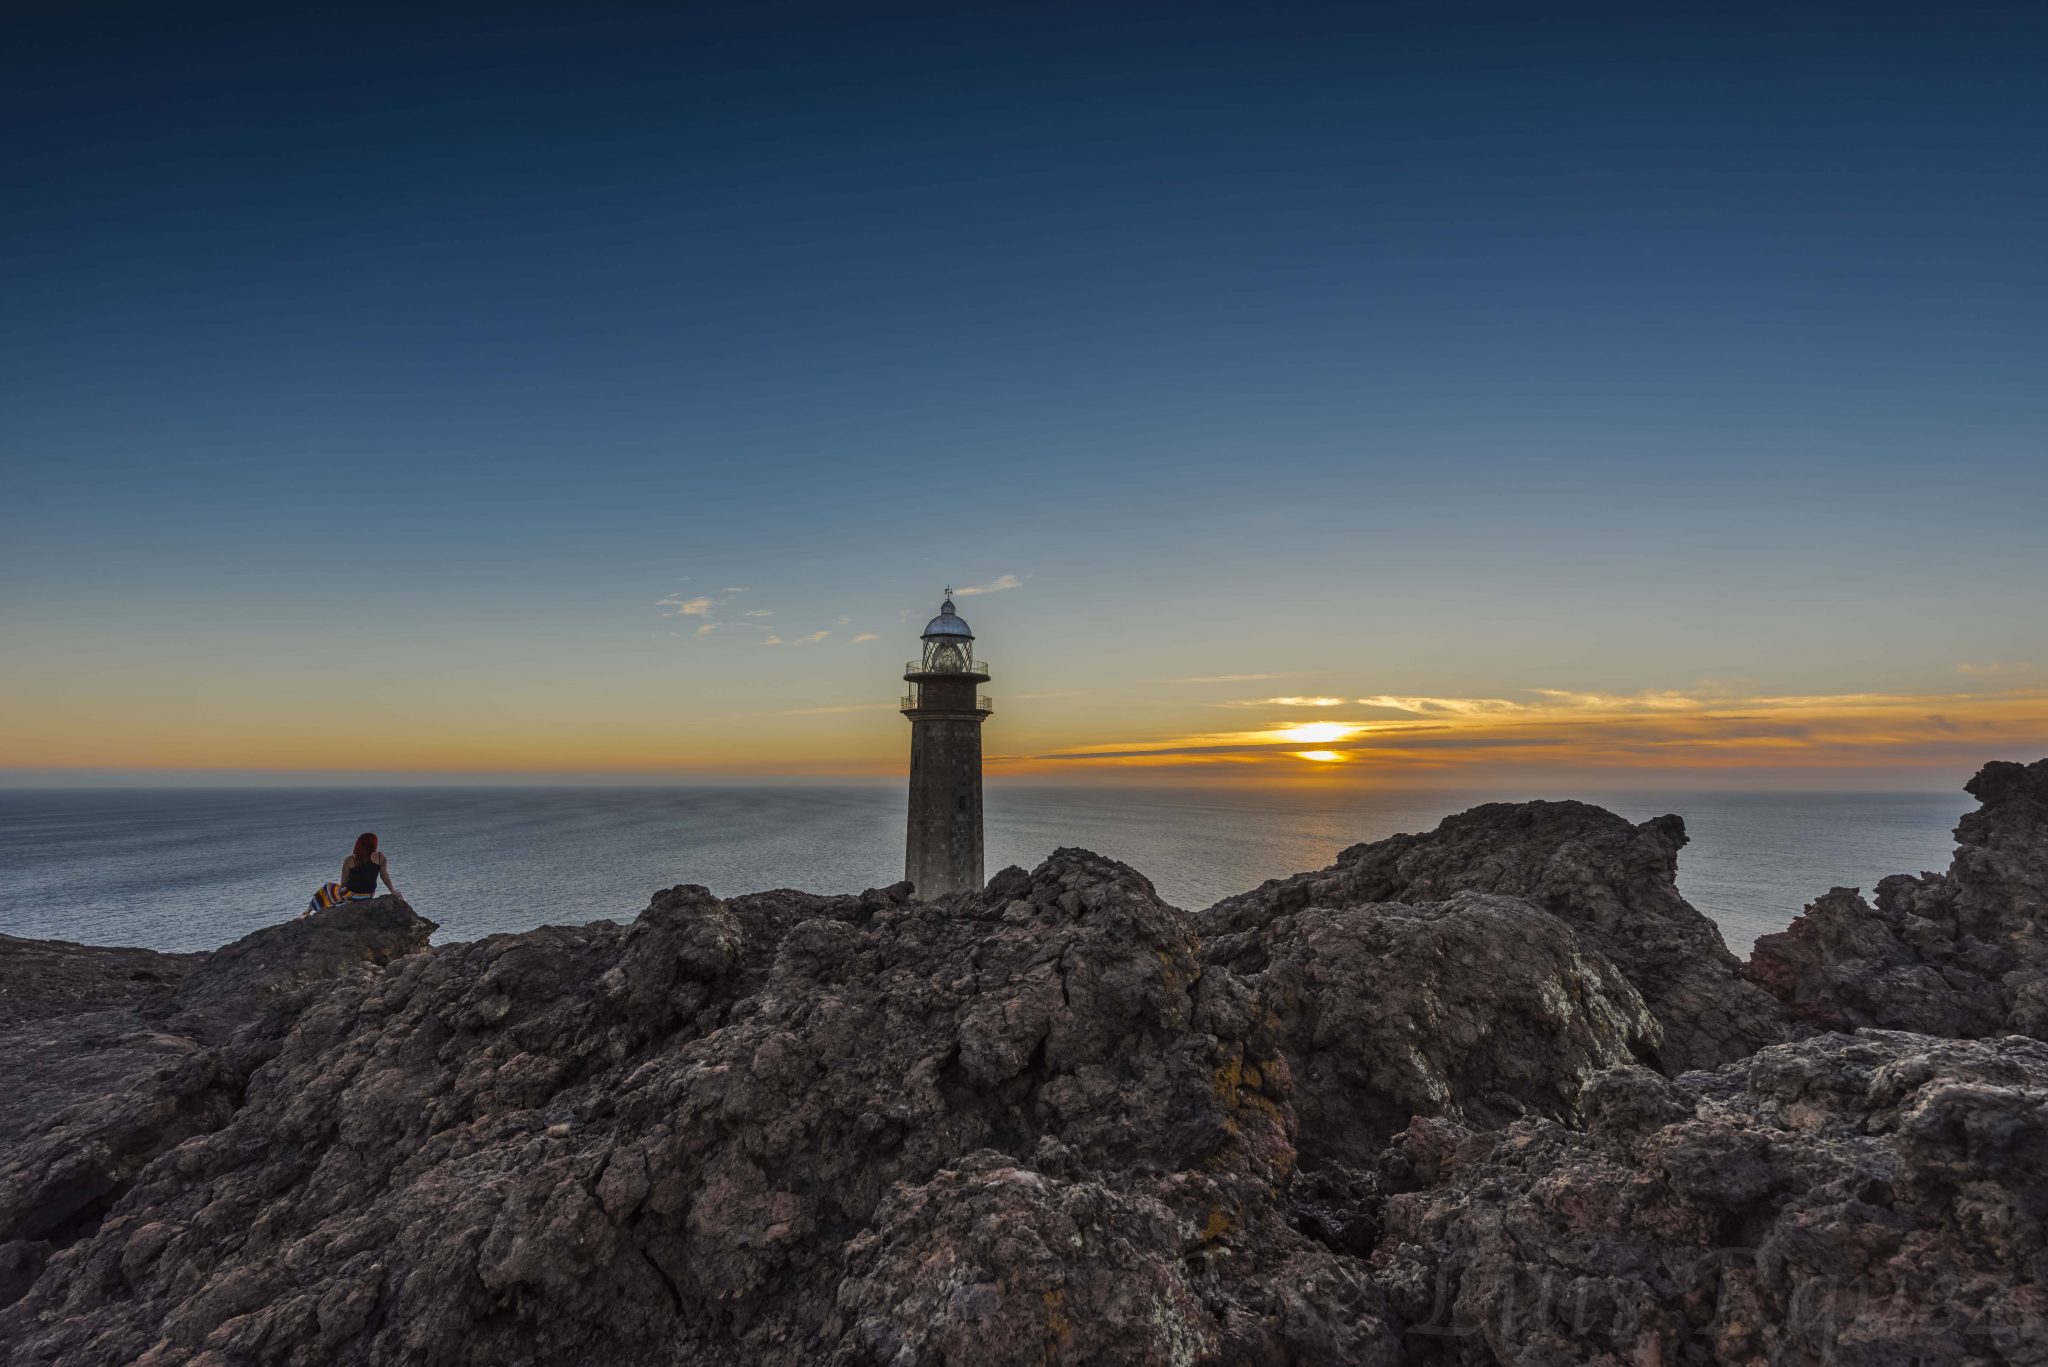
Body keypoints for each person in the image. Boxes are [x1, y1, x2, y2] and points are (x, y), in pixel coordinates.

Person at [304, 832, 401, 916]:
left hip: (352, 895)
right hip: (369, 895)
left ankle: (308, 911)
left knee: (328, 887)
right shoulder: (380, 857)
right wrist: (393, 890)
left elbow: (343, 883)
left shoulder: (350, 860)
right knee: (339, 892)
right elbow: (384, 876)